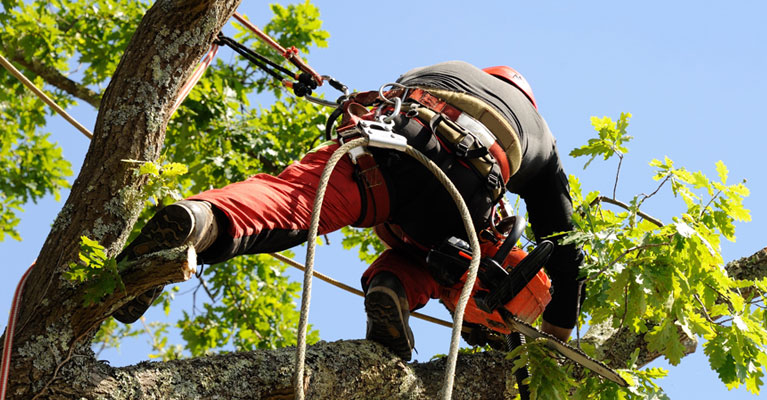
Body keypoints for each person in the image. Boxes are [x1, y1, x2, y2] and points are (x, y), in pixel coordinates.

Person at [113, 61, 581, 362]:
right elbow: (565, 242)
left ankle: (199, 220)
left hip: (393, 141)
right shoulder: (540, 133)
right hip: (469, 186)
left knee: (293, 198)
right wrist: (559, 332)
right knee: (459, 256)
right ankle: (393, 287)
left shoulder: (447, 69)